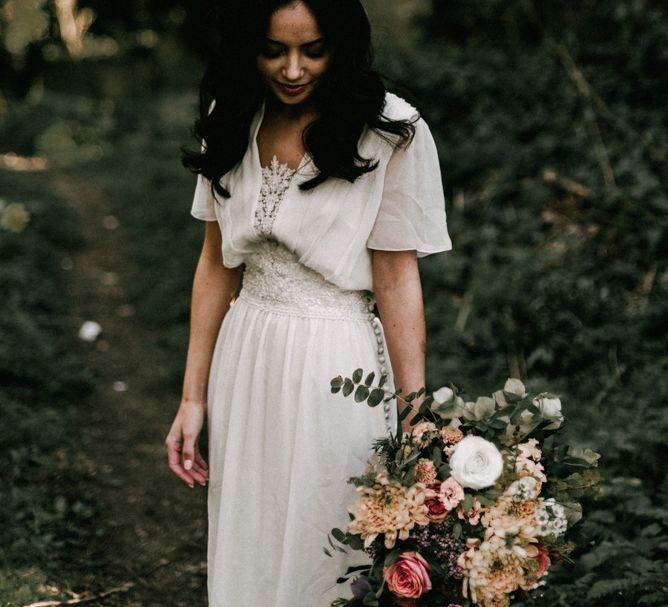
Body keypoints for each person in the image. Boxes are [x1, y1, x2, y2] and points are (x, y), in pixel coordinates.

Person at [165, 1, 452, 605]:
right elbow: (216, 263)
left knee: (328, 547)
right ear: (250, 46)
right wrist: (193, 397)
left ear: (340, 46)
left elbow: (397, 279)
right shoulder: (232, 112)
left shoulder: (390, 129)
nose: (292, 69)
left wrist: (414, 414)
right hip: (245, 356)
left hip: (337, 366)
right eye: (274, 50)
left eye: (313, 50)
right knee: (252, 536)